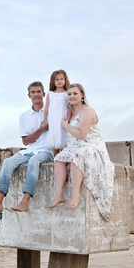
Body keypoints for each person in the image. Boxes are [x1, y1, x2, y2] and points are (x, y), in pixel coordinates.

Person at [48, 83, 115, 220]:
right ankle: (59, 195)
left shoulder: (87, 111)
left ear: (82, 95)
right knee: (59, 158)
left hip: (91, 146)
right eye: (69, 94)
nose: (72, 96)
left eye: (75, 93)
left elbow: (82, 135)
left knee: (76, 157)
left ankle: (75, 195)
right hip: (75, 146)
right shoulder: (71, 111)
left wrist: (66, 125)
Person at [0, 81, 53, 213]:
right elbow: (25, 141)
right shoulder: (24, 116)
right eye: (33, 92)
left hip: (46, 150)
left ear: (44, 94)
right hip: (31, 150)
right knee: (8, 162)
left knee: (34, 161)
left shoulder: (51, 112)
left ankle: (25, 201)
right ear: (29, 95)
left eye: (39, 92)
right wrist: (40, 130)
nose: (36, 94)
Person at [44, 69, 71, 154]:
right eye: (57, 79)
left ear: (65, 80)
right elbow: (46, 108)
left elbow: (70, 108)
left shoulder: (67, 93)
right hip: (53, 121)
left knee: (63, 138)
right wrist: (45, 121)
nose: (59, 81)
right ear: (53, 81)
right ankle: (55, 158)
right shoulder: (50, 94)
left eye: (61, 79)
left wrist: (68, 119)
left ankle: (64, 158)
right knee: (54, 139)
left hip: (63, 119)